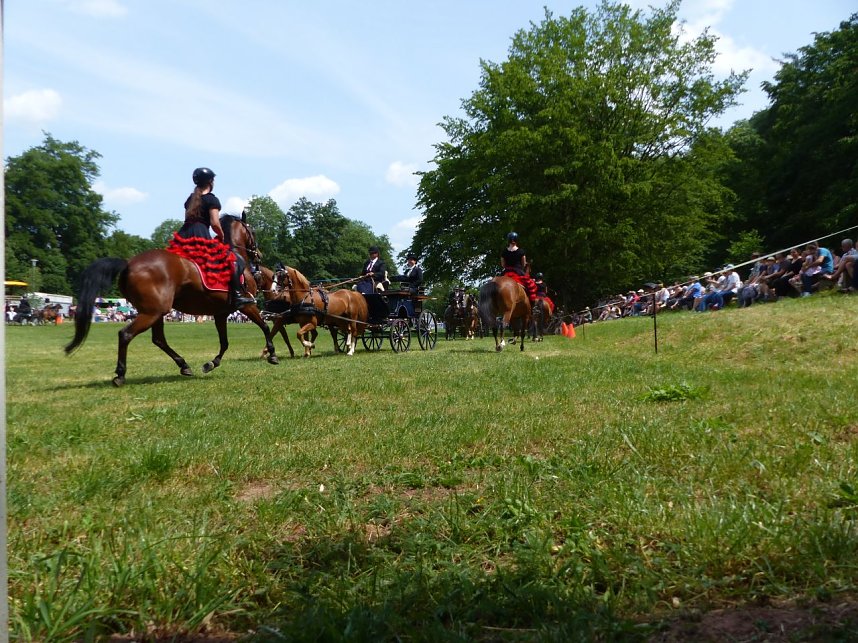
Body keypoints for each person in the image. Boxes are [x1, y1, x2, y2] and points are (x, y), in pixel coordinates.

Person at [173, 167, 254, 307]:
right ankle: (237, 295)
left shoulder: (190, 200)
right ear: (210, 181)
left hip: (184, 234)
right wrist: (221, 235)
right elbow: (215, 223)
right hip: (200, 234)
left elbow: (188, 218)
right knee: (234, 260)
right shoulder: (212, 200)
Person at [500, 232, 537, 301]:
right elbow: (524, 264)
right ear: (517, 240)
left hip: (506, 272)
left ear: (508, 240)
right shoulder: (521, 251)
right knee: (531, 285)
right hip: (518, 271)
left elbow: (503, 265)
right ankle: (532, 303)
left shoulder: (504, 252)